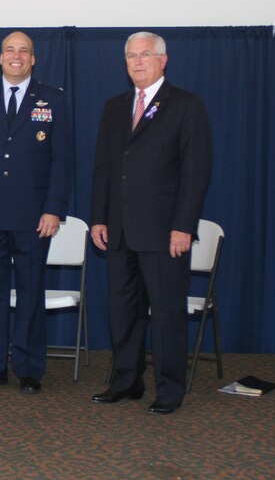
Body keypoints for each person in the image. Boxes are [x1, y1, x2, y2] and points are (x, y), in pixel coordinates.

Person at [90, 31, 212, 415]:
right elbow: (104, 169)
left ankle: (170, 388)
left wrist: (184, 225)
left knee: (166, 313)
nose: (137, 62)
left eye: (145, 55)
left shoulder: (186, 106)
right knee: (122, 311)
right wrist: (98, 217)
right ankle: (126, 381)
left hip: (164, 231)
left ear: (163, 59)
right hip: (119, 229)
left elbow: (196, 172)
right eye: (131, 56)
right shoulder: (115, 107)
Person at [0, 31, 72, 394]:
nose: (17, 56)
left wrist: (54, 209)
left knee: (30, 291)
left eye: (24, 51)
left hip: (33, 217)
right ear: (0, 57)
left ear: (34, 59)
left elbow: (63, 160)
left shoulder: (53, 99)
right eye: (10, 50)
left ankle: (29, 367)